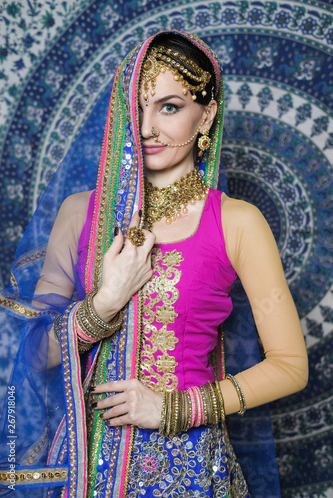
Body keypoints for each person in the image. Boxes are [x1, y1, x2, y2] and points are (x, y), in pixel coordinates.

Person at [0, 31, 308, 498]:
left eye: (169, 107)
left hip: (188, 465)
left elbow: (290, 366)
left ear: (206, 114)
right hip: (85, 469)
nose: (147, 127)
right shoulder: (81, 212)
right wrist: (104, 304)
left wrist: (174, 410)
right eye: (137, 106)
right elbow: (34, 355)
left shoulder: (237, 222)